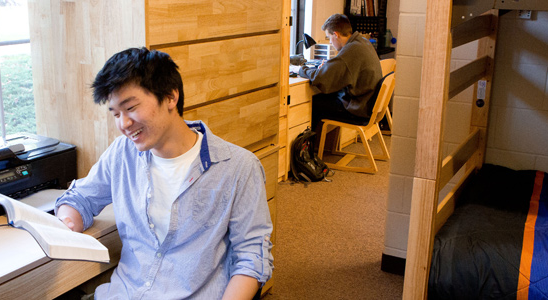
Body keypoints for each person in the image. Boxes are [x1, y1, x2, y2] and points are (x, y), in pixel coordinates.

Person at [54, 47, 273, 299]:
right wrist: (66, 224)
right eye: (116, 114)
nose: (123, 124)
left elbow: (252, 258)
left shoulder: (238, 167)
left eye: (131, 107)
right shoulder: (122, 153)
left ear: (171, 97)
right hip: (124, 293)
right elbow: (79, 198)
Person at [289, 13, 383, 139]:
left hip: (358, 110)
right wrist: (329, 67)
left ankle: (309, 151)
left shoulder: (351, 50)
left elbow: (321, 79)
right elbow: (342, 68)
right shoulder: (362, 42)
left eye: (329, 38)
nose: (330, 42)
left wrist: (301, 69)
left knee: (315, 104)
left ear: (336, 34)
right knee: (325, 97)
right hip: (367, 104)